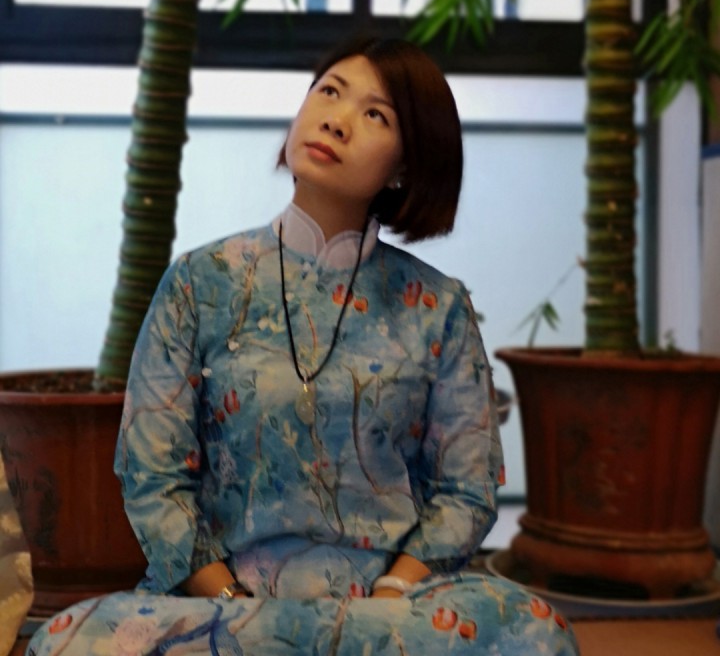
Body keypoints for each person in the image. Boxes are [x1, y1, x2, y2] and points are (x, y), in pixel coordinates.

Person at [28, 36, 578, 655]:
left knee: (535, 630)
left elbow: (465, 491)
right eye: (329, 91)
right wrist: (229, 603)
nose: (337, 121)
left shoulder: (437, 305)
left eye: (376, 115)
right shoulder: (199, 282)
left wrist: (392, 594)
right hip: (223, 608)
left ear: (404, 166)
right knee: (66, 641)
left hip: (385, 611)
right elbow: (152, 476)